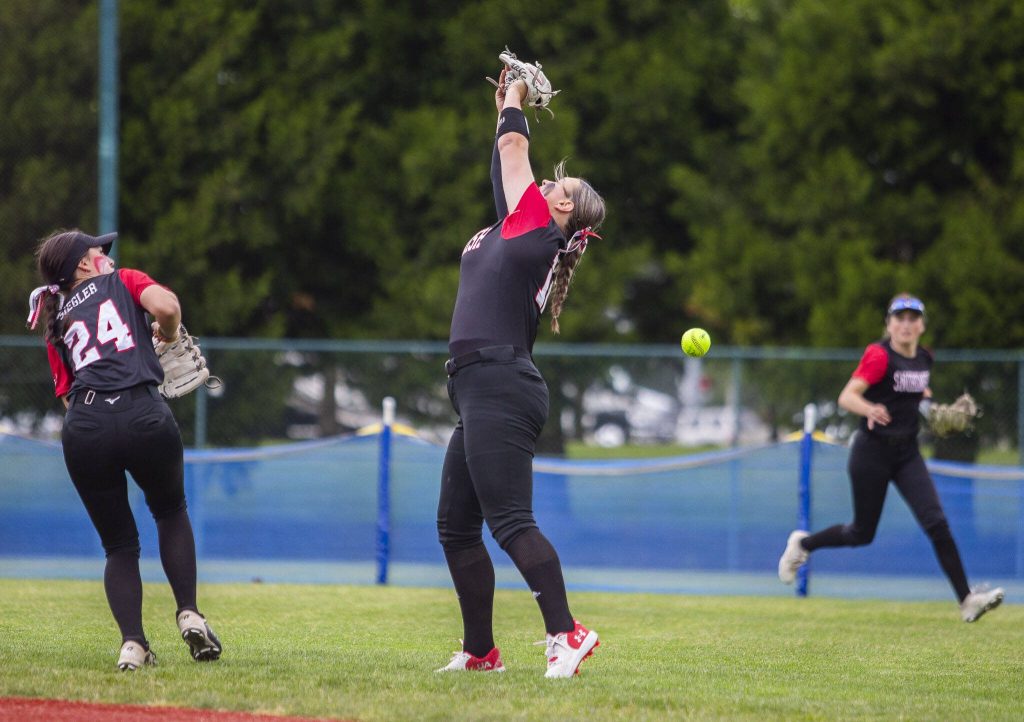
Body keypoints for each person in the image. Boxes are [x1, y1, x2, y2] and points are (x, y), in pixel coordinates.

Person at [435, 66, 606, 678]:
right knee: (456, 527)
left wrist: (514, 100)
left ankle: (568, 632)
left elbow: (513, 149)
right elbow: (501, 158)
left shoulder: (539, 229)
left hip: (500, 383)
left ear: (563, 207)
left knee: (509, 521)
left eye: (565, 183)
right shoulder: (522, 228)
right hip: (481, 383)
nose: (554, 182)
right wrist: (501, 109)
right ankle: (482, 653)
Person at [26, 229, 222, 669]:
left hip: (86, 426)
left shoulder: (53, 320)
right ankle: (188, 612)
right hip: (143, 414)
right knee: (170, 511)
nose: (107, 257)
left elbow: (68, 395)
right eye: (99, 251)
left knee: (118, 545)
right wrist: (168, 337)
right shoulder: (125, 280)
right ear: (81, 264)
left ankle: (132, 644)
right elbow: (168, 308)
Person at [777, 294, 1004, 622]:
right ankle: (803, 545)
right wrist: (869, 408)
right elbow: (847, 396)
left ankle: (967, 600)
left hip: (907, 453)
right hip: (872, 452)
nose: (906, 324)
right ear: (889, 324)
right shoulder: (879, 356)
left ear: (922, 325)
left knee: (937, 523)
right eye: (900, 318)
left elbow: (920, 394)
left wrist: (935, 410)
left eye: (914, 318)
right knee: (861, 533)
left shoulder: (924, 358)